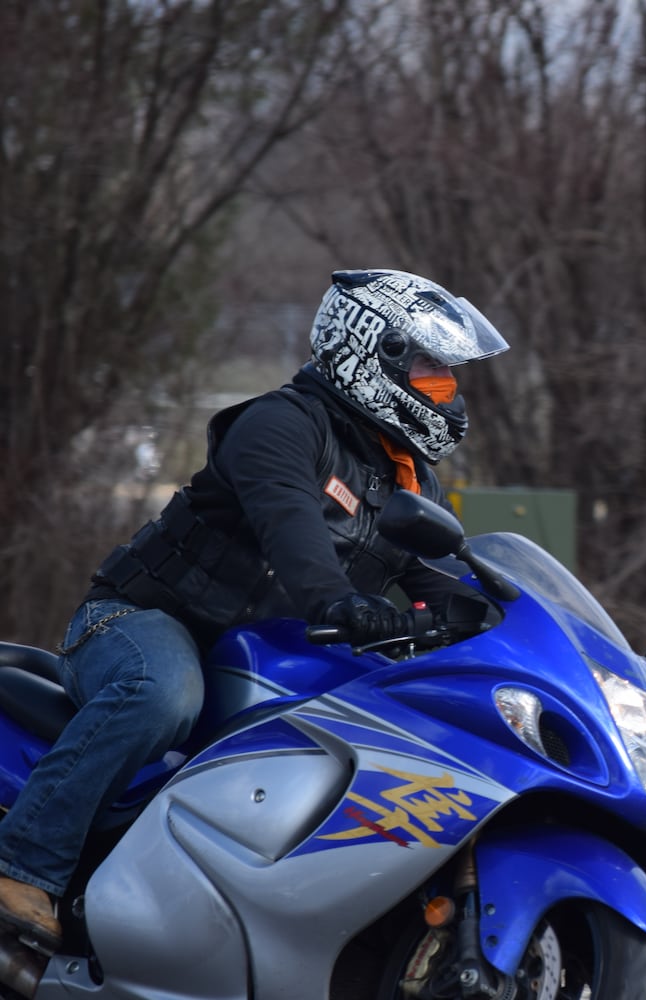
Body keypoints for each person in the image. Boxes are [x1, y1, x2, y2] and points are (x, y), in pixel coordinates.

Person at [0, 269, 509, 953]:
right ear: (369, 352)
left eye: (448, 373)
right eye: (428, 366)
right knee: (162, 694)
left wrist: (499, 621)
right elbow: (292, 530)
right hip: (142, 622)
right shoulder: (278, 425)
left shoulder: (402, 474)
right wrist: (338, 602)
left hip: (261, 661)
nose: (443, 385)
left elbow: (437, 574)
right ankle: (20, 867)